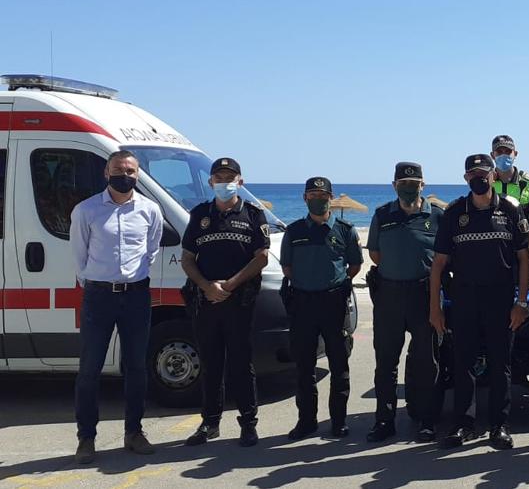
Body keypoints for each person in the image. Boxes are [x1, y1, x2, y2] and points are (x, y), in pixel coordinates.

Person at [429, 154, 529, 450]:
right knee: (463, 364)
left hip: (501, 301)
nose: (479, 178)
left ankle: (499, 425)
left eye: (484, 173)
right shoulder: (454, 213)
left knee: (502, 364)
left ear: (493, 176)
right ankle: (464, 424)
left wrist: (521, 302)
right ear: (465, 178)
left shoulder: (511, 210)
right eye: (473, 174)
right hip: (464, 300)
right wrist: (435, 307)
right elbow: (438, 265)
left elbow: (524, 259)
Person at [69, 150, 164, 464]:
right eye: (119, 169)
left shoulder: (151, 210)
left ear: (138, 174)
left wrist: (131, 279)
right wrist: (98, 281)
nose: (126, 175)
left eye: (132, 170)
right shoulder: (86, 211)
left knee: (137, 368)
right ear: (106, 173)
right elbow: (79, 256)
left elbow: (151, 251)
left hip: (136, 296)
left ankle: (134, 432)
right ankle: (86, 438)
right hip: (98, 297)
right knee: (89, 370)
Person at [181, 157, 270, 448]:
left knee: (242, 363)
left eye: (229, 178)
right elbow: (188, 259)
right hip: (206, 300)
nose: (224, 182)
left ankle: (248, 423)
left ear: (240, 182)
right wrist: (207, 286)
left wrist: (230, 285)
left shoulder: (254, 215)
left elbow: (262, 257)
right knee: (210, 363)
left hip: (238, 300)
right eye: (219, 177)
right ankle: (210, 422)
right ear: (210, 182)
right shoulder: (199, 215)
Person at [366, 162, 443, 443]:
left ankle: (426, 420)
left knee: (427, 361)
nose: (408, 187)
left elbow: (445, 255)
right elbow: (374, 253)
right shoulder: (382, 215)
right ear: (394, 185)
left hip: (424, 295)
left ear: (423, 185)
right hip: (389, 295)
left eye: (414, 183)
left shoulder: (436, 216)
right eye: (403, 183)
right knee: (385, 362)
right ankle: (384, 420)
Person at [281, 177, 363, 440]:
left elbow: (354, 266)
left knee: (339, 364)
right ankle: (306, 421)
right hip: (303, 303)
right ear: (305, 198)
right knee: (304, 366)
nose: (318, 199)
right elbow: (287, 268)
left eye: (323, 195)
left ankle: (338, 422)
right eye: (313, 194)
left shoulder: (345, 230)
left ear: (331, 197)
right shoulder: (293, 232)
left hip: (333, 303)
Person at [491, 135, 529, 225]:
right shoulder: (487, 182)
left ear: (515, 154)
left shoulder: (528, 183)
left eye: (508, 151)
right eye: (499, 152)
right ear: (492, 155)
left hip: (522, 236)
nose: (503, 155)